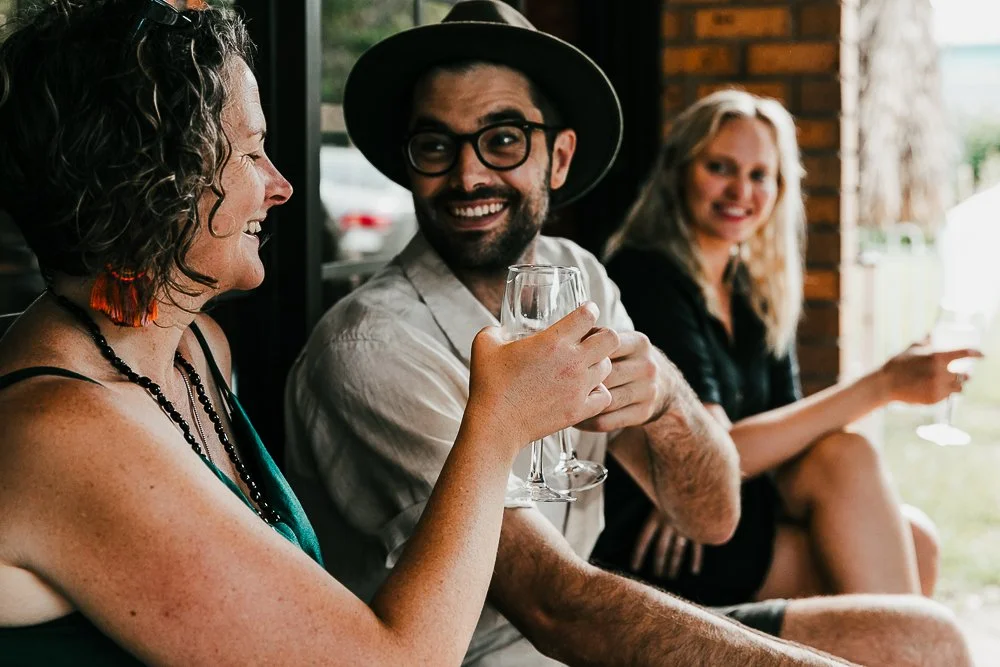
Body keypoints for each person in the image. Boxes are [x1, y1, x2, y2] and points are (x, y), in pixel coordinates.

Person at [284, 3, 972, 666]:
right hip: (501, 652)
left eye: (502, 140)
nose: (467, 174)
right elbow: (554, 606)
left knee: (925, 639)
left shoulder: (575, 275)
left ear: (558, 158)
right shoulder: (371, 349)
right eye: (436, 144)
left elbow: (712, 515)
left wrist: (668, 401)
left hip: (581, 631)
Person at [0, 1, 620, 665]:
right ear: (156, 180)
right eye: (251, 152)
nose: (282, 185)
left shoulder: (197, 349)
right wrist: (497, 422)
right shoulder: (61, 430)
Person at [595, 89, 979, 607]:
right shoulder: (647, 276)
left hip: (733, 503)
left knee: (915, 537)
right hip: (667, 535)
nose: (741, 190)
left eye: (760, 175)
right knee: (858, 523)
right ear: (679, 171)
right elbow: (716, 446)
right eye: (720, 167)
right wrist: (881, 386)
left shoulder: (748, 289)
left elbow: (784, 438)